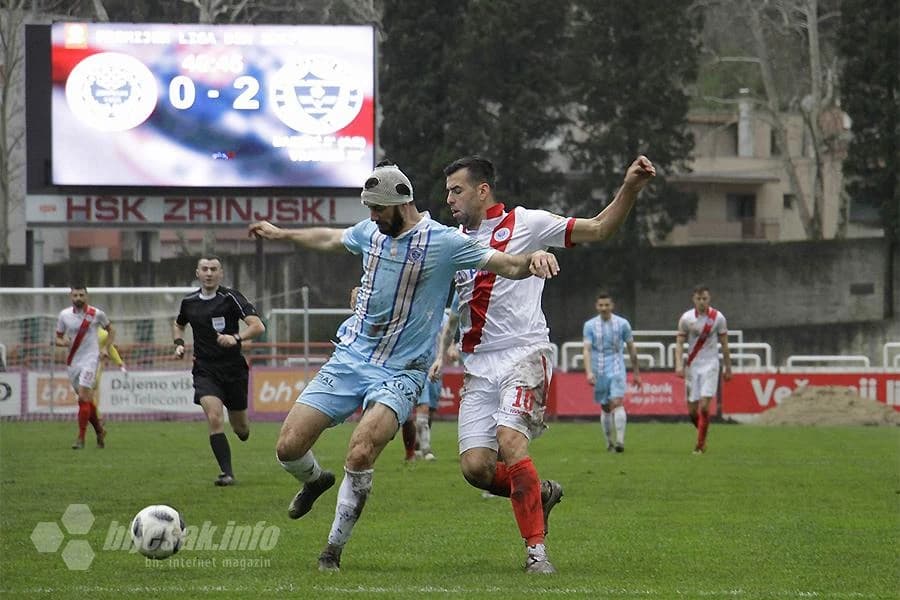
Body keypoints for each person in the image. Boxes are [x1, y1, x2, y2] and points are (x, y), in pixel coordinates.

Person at [248, 161, 559, 573]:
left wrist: (534, 256)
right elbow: (329, 237)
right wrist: (281, 233)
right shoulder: (370, 232)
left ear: (402, 202)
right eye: (369, 210)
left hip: (403, 369)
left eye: (378, 210)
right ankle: (314, 480)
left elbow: (504, 264)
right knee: (287, 447)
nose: (372, 218)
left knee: (361, 450)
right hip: (352, 357)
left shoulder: (444, 241)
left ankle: (331, 552)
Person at [434, 154, 656, 573]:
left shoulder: (527, 222)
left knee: (510, 440)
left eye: (457, 190)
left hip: (525, 352)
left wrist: (629, 188)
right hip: (479, 364)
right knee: (476, 469)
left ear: (483, 190)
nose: (449, 198)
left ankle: (536, 552)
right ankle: (541, 492)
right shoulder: (452, 241)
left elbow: (599, 228)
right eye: (447, 191)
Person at [173, 256, 266, 486]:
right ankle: (227, 473)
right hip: (205, 369)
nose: (209, 273)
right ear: (197, 273)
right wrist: (178, 342)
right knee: (214, 417)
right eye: (204, 269)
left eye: (213, 269)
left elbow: (258, 326)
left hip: (233, 369)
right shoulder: (189, 302)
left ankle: (242, 429)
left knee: (241, 429)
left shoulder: (231, 297)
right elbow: (179, 323)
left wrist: (236, 337)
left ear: (221, 273)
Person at [674, 284, 732, 454]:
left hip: (711, 365)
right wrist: (678, 364)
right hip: (692, 366)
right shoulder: (686, 318)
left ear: (709, 299)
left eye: (704, 298)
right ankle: (703, 432)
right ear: (694, 299)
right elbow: (679, 343)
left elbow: (725, 344)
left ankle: (699, 445)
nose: (701, 302)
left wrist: (728, 368)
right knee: (692, 412)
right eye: (698, 299)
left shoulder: (718, 317)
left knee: (705, 407)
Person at [55, 286, 114, 449]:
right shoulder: (64, 315)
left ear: (87, 296)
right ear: (70, 296)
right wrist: (64, 342)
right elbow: (58, 338)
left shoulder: (96, 314)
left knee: (82, 397)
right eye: (75, 295)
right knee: (86, 400)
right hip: (73, 361)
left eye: (81, 295)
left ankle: (80, 438)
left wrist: (104, 348)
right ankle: (100, 431)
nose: (78, 298)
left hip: (90, 360)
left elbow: (111, 330)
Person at [582, 291, 641, 453]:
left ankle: (620, 441)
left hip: (617, 368)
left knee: (617, 402)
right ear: (596, 306)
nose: (604, 308)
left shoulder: (622, 324)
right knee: (606, 407)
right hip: (599, 370)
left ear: (612, 306)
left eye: (606, 305)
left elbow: (631, 348)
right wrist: (588, 372)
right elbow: (586, 350)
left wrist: (636, 373)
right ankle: (609, 442)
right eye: (601, 305)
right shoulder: (590, 326)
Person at [90, 326, 127, 448]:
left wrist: (120, 363)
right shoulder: (79, 330)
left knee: (87, 395)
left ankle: (99, 421)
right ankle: (99, 427)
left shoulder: (102, 334)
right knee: (84, 399)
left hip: (94, 367)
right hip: (81, 365)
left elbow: (110, 348)